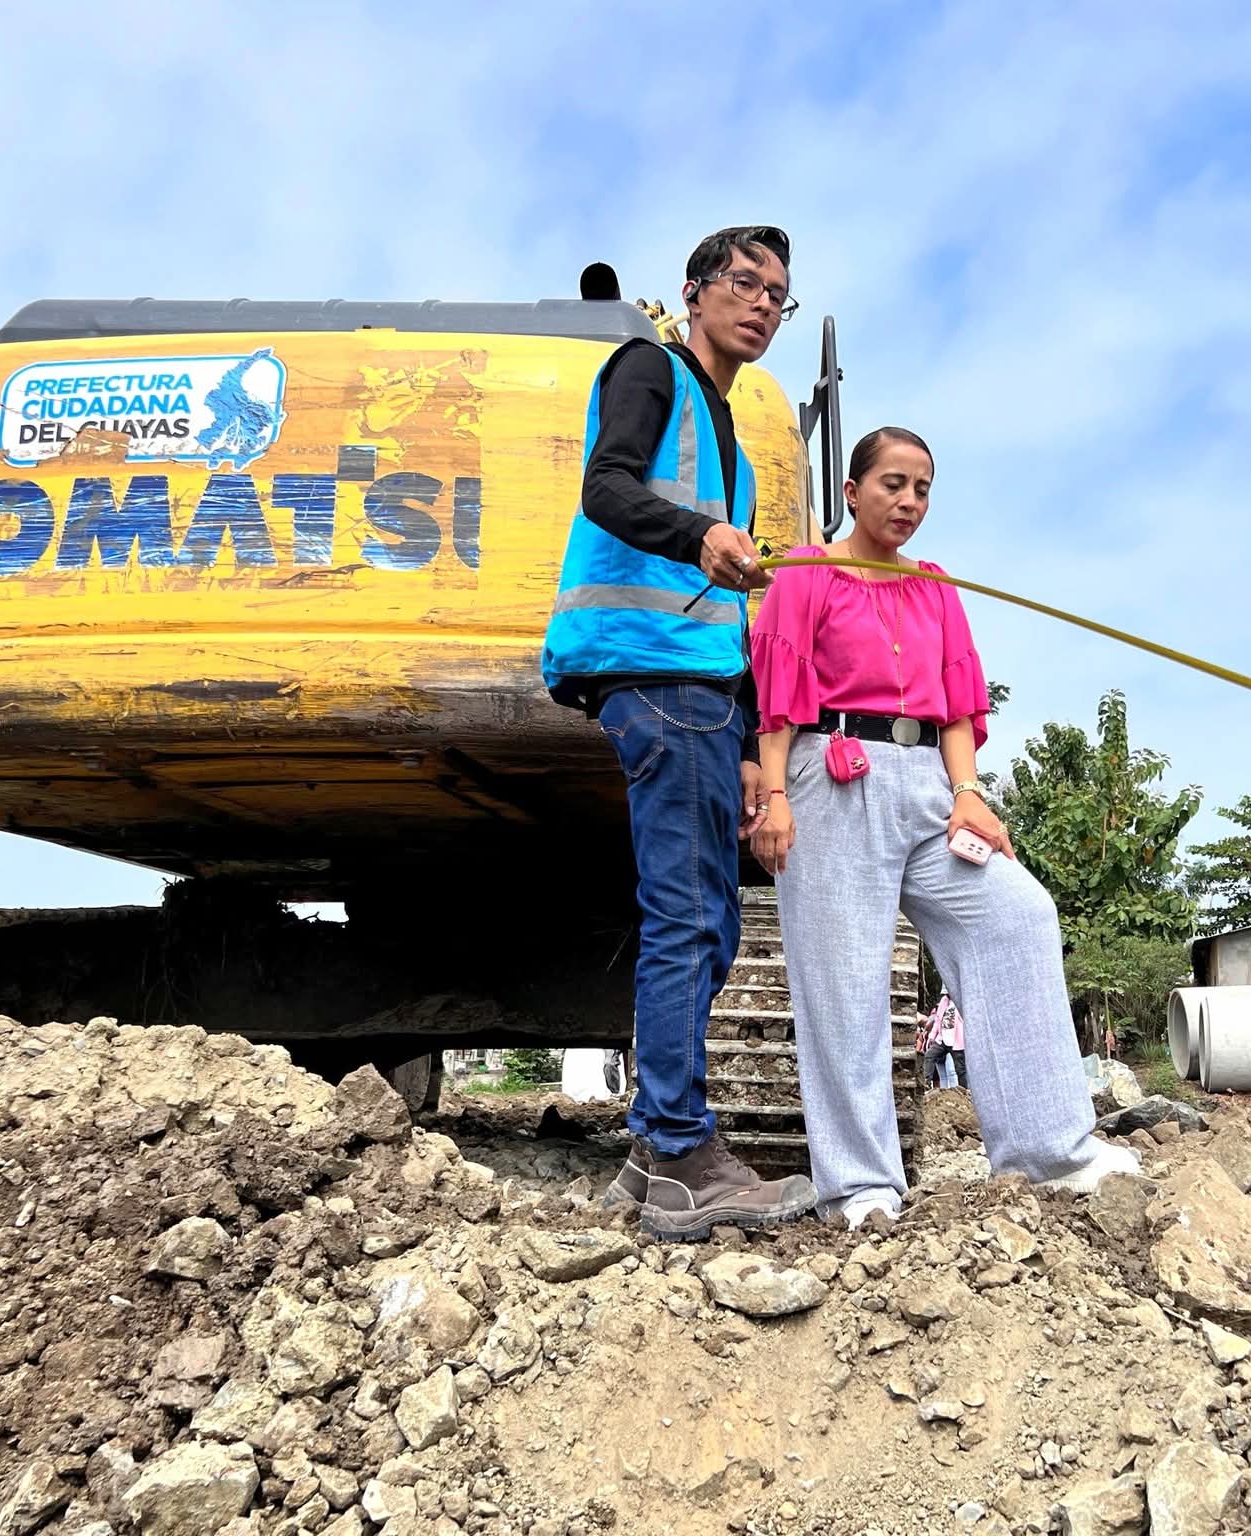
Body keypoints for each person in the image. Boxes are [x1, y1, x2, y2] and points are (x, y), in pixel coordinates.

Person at [747, 427, 1139, 1228]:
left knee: (1017, 916)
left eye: (922, 489)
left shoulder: (934, 588)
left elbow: (959, 706)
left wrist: (969, 793)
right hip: (835, 771)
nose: (909, 501)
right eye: (892, 484)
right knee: (844, 980)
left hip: (928, 783)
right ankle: (860, 1188)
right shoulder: (807, 571)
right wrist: (776, 794)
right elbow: (779, 693)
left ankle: (1048, 1150)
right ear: (851, 492)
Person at [541, 225, 816, 1241]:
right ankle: (680, 1153)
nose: (762, 303)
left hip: (695, 689)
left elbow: (724, 614)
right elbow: (604, 486)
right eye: (744, 282)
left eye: (778, 294)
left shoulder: (726, 433)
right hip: (651, 673)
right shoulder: (648, 369)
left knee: (708, 922)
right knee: (688, 918)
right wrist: (699, 533)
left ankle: (650, 1155)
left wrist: (745, 744)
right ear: (694, 292)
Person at [921, 992, 967, 1090]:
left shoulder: (962, 1000)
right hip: (942, 1038)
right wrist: (932, 1036)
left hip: (956, 1039)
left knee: (960, 1069)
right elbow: (938, 1020)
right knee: (929, 1056)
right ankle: (926, 1085)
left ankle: (964, 1091)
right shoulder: (944, 1000)